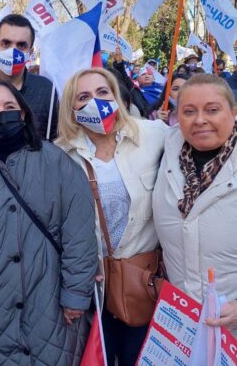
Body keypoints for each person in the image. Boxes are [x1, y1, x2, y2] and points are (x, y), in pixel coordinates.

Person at [0, 80, 97, 364]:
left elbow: (79, 233)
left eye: (10, 107)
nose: (2, 113)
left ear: (23, 114)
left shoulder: (56, 161)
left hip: (51, 313)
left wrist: (75, 293)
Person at [56, 67, 166, 365]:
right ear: (72, 109)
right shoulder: (61, 156)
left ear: (116, 96)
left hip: (142, 282)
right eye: (84, 97)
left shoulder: (153, 135)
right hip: (93, 286)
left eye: (103, 92)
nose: (96, 101)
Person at [153, 74, 237, 334]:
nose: (200, 120)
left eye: (212, 110)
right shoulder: (164, 151)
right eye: (189, 111)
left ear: (234, 113)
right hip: (181, 323)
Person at [0, 14, 58, 139]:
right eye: (6, 43)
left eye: (21, 45)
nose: (13, 52)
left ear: (30, 51)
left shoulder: (46, 89)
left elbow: (54, 138)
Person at [113, 49, 164, 117]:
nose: (146, 76)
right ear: (138, 79)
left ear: (153, 78)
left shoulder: (163, 89)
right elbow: (123, 74)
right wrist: (119, 62)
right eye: (143, 74)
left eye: (149, 74)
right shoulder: (135, 90)